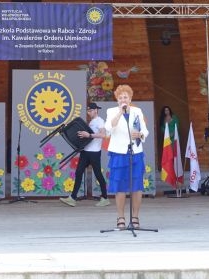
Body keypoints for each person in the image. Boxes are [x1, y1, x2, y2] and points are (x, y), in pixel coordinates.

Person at [105, 84, 148, 230]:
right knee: (120, 186)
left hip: (135, 151)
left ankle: (135, 217)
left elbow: (145, 131)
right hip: (119, 153)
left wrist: (140, 134)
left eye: (125, 97)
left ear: (130, 99)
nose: (123, 99)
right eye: (120, 97)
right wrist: (119, 113)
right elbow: (109, 128)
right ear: (117, 100)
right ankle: (120, 217)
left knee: (136, 186)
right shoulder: (111, 111)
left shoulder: (137, 111)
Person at [60, 102, 110, 207]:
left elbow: (103, 135)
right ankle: (72, 198)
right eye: (88, 111)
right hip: (85, 151)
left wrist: (89, 135)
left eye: (90, 110)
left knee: (98, 174)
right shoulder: (92, 122)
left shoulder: (100, 121)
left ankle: (105, 198)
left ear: (96, 110)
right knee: (78, 173)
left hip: (94, 153)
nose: (89, 112)